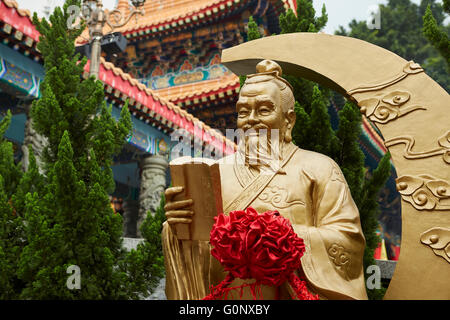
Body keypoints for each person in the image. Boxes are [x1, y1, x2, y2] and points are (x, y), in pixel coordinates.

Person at [162, 60, 368, 300]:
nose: (250, 120)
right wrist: (180, 228)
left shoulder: (319, 168)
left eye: (263, 110)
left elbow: (348, 241)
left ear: (288, 120)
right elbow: (202, 251)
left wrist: (275, 239)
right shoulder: (217, 172)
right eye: (243, 112)